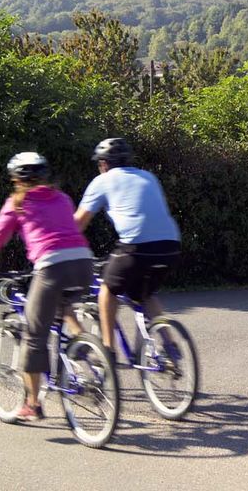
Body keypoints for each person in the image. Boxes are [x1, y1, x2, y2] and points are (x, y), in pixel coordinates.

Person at [0, 152, 93, 421]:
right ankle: (85, 345)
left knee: (34, 335)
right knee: (61, 304)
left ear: (16, 180)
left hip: (52, 267)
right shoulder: (63, 198)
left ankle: (32, 405)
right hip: (83, 264)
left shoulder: (17, 203)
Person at [74, 138, 181, 360]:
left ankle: (107, 351)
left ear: (104, 163)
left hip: (136, 246)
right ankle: (170, 346)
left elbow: (78, 224)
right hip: (171, 245)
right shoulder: (148, 177)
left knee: (107, 291)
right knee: (145, 295)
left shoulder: (102, 181)